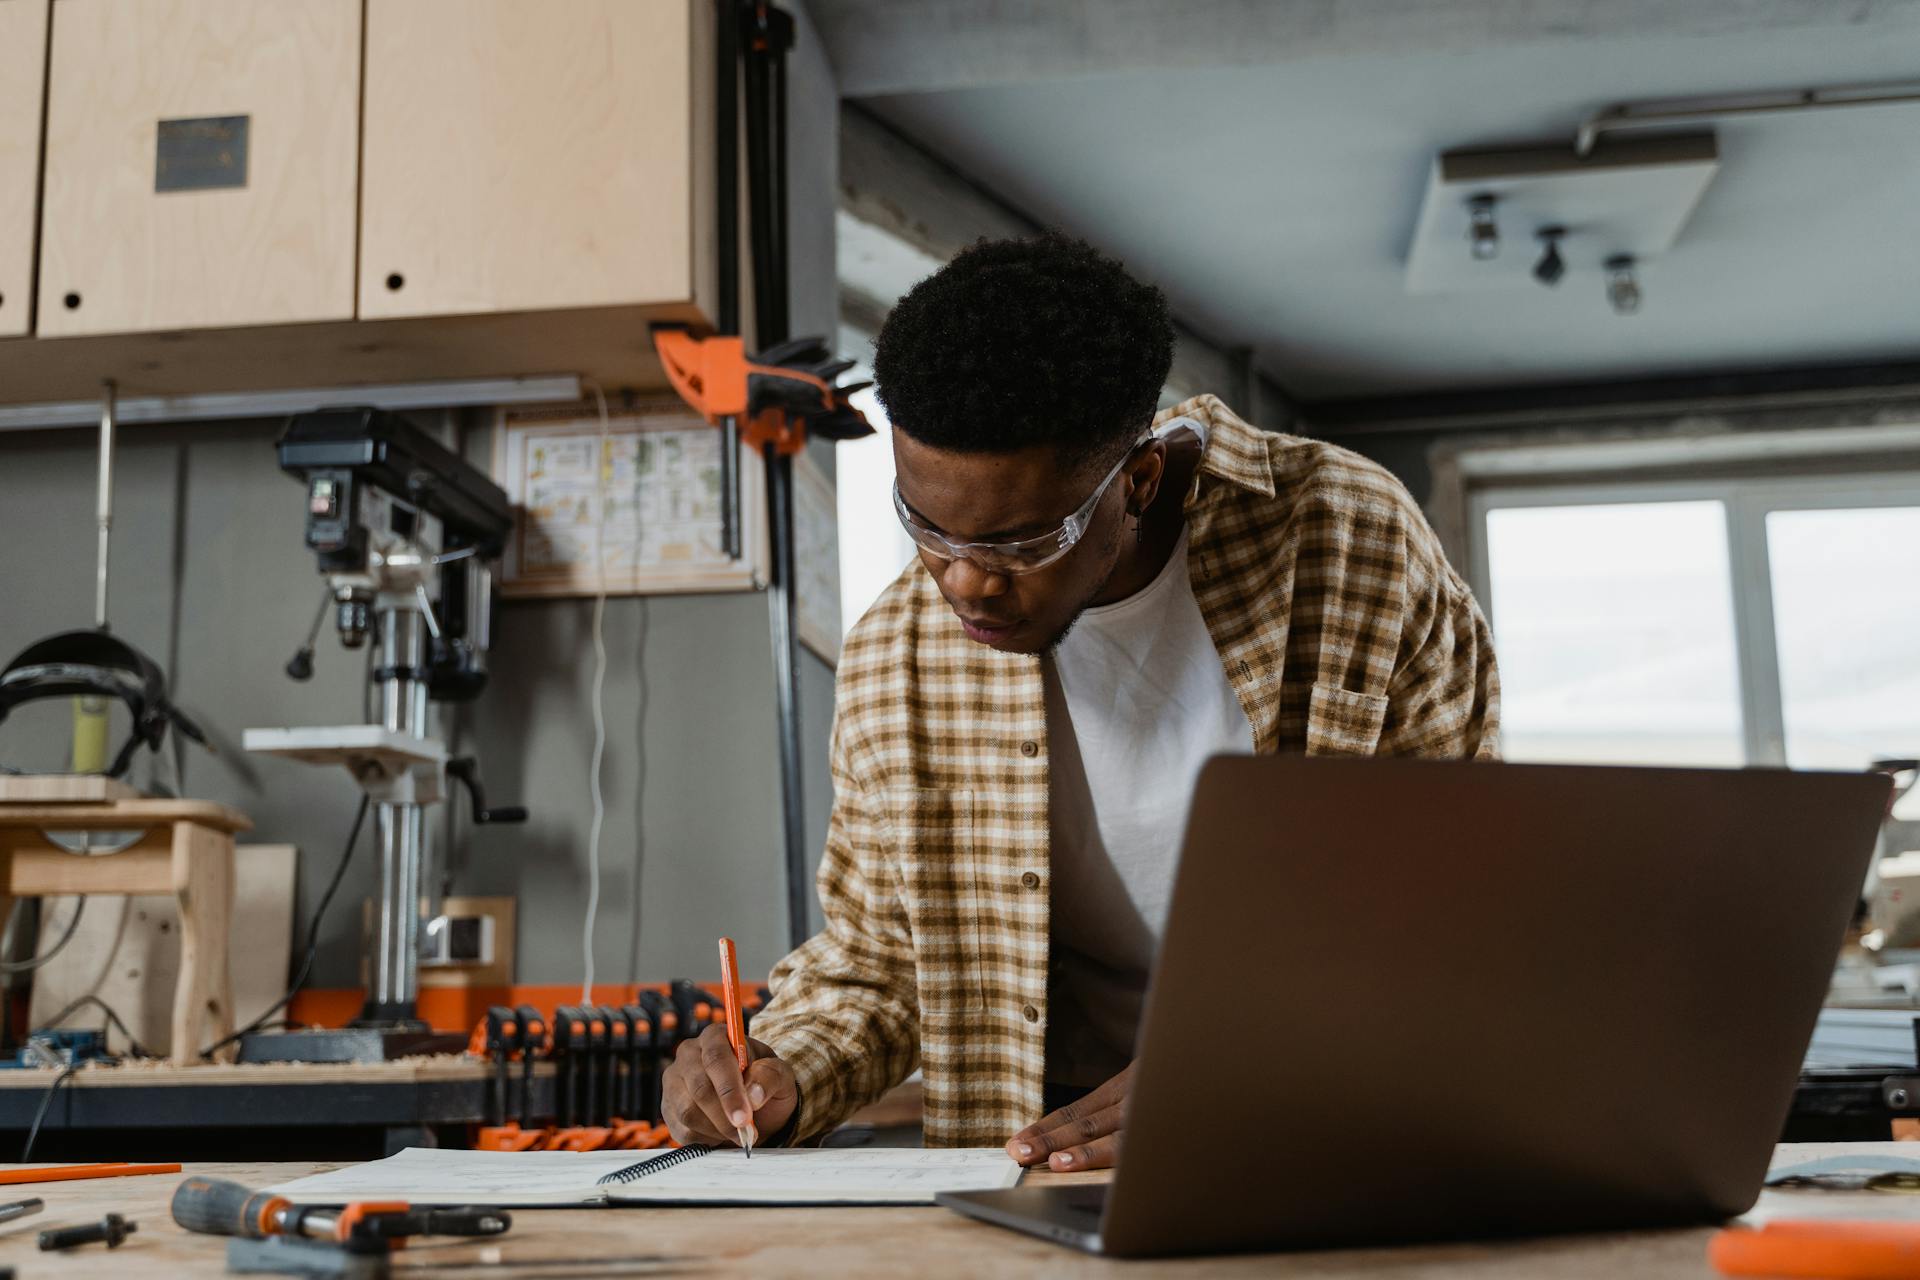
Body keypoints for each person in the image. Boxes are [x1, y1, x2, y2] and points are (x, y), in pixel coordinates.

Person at [661, 234, 1500, 1170]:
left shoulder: (1351, 543)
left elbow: (1466, 910)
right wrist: (779, 1069)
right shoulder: (896, 652)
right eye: (927, 526)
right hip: (1044, 1137)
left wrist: (1257, 1063)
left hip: (1320, 1114)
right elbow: (882, 964)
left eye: (1022, 543)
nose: (966, 584)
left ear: (1135, 482)